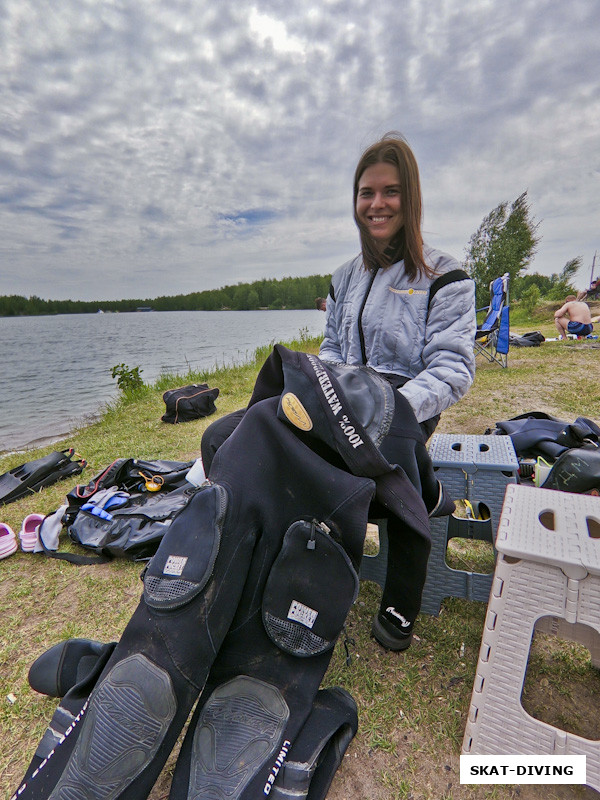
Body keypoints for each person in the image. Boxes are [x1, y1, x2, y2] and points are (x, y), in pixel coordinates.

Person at [202, 132, 476, 652]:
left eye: (390, 191)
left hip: (403, 402)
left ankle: (401, 600)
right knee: (224, 436)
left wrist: (396, 409)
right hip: (339, 397)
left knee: (394, 449)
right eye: (366, 193)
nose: (377, 204)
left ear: (410, 197)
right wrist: (311, 391)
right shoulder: (344, 277)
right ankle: (250, 568)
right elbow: (330, 349)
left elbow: (454, 368)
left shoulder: (446, 277)